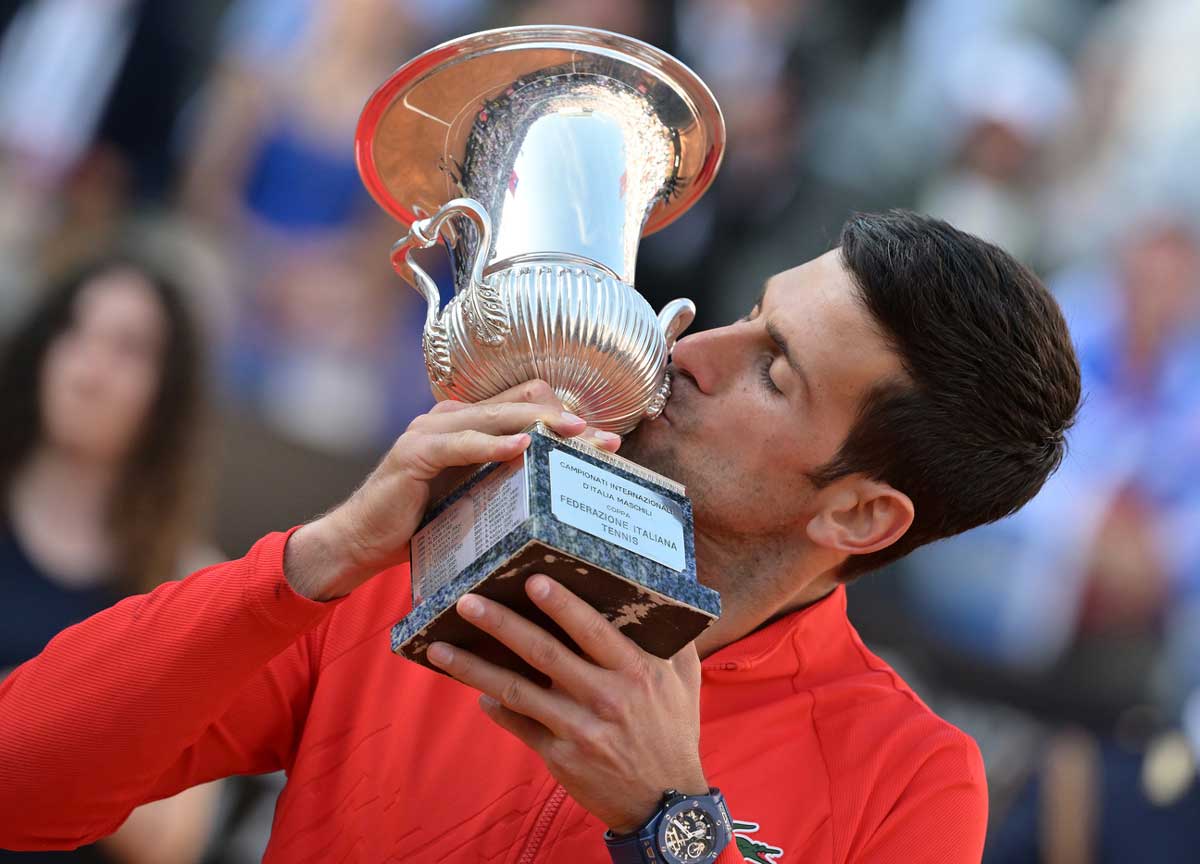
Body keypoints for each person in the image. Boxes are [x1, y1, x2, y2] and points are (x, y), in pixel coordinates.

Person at [0, 211, 1081, 863]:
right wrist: (320, 556)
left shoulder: (912, 781)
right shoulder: (440, 545)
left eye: (774, 368)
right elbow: (20, 784)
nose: (695, 345)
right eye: (752, 311)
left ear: (859, 514)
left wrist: (670, 824)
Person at [0, 253, 221, 861]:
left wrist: (33, 727)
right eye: (74, 331)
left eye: (128, 349)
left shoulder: (187, 581)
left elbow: (172, 840)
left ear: (166, 393)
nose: (88, 370)